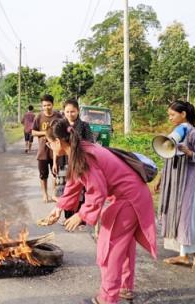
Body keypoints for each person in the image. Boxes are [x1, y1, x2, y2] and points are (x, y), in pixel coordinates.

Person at [43, 119, 157, 304]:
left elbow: (97, 191)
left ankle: (107, 297)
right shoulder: (81, 149)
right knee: (124, 245)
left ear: (58, 142)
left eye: (48, 143)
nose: (48, 146)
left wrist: (81, 215)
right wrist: (59, 208)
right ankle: (124, 287)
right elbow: (73, 183)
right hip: (135, 196)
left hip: (127, 200)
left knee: (110, 248)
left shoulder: (85, 156)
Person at [155, 100, 195, 271]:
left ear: (183, 114)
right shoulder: (175, 132)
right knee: (175, 216)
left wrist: (189, 152)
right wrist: (161, 178)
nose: (169, 118)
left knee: (188, 218)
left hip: (187, 181)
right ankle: (183, 256)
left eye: (172, 114)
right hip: (173, 180)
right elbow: (167, 156)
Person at [52, 98, 93, 226]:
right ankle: (67, 216)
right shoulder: (60, 125)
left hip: (80, 163)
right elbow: (56, 145)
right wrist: (54, 162)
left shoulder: (84, 126)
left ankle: (81, 217)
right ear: (63, 112)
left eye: (73, 111)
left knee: (80, 190)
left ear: (78, 111)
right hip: (64, 162)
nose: (70, 114)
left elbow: (90, 145)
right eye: (67, 112)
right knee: (65, 189)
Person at [31, 94, 63, 203]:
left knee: (56, 173)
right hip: (42, 151)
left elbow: (63, 130)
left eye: (48, 105)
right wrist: (45, 133)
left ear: (52, 104)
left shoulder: (59, 116)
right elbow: (33, 132)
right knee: (43, 174)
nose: (46, 107)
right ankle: (45, 193)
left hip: (55, 150)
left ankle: (54, 193)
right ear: (42, 106)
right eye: (44, 105)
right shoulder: (38, 117)